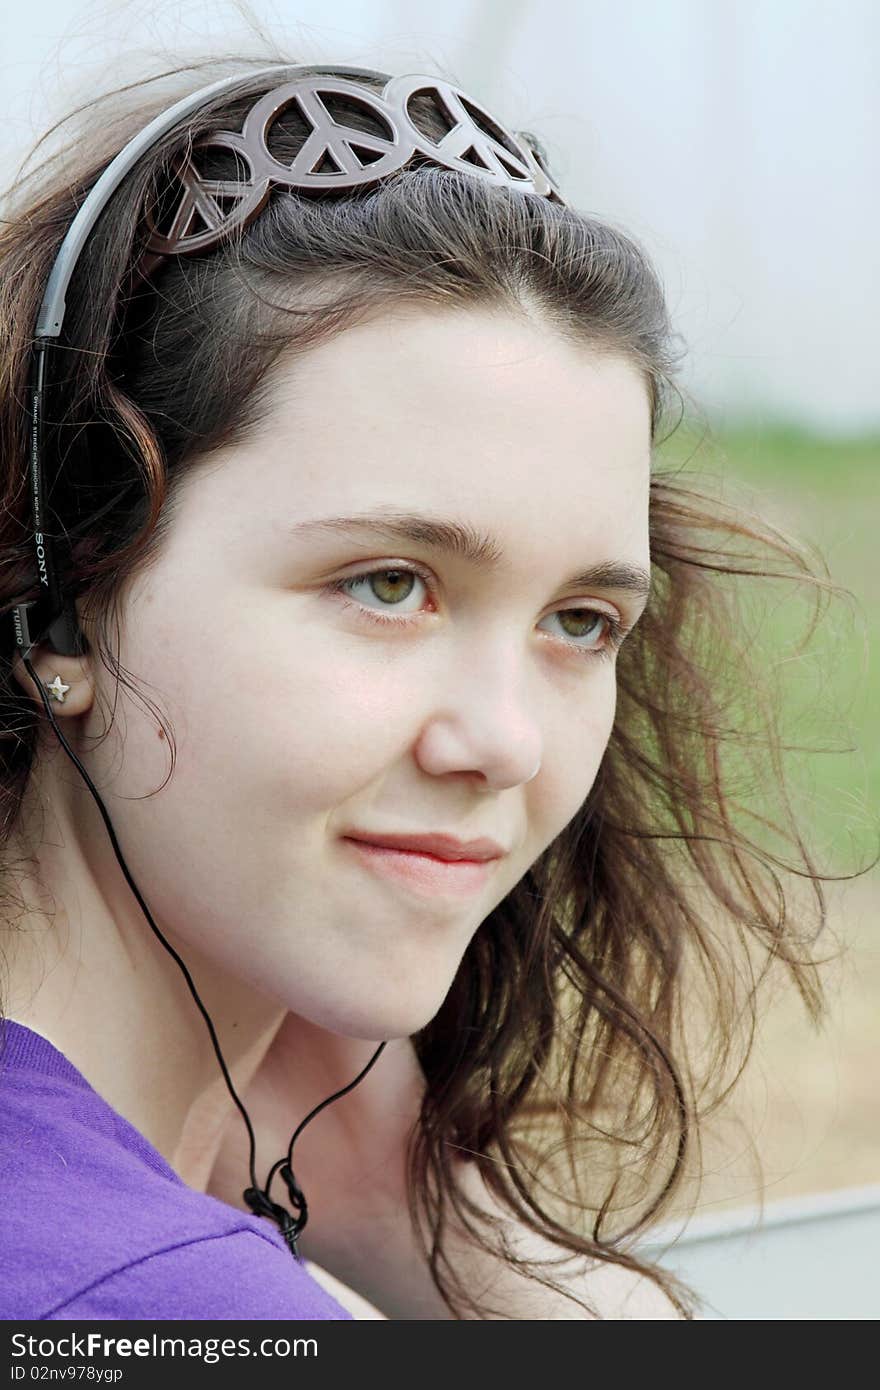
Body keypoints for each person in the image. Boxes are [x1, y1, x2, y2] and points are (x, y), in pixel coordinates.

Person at [0, 55, 844, 1322]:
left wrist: (401, 1209)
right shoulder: (153, 1305)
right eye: (389, 584)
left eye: (580, 619)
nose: (504, 742)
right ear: (63, 589)